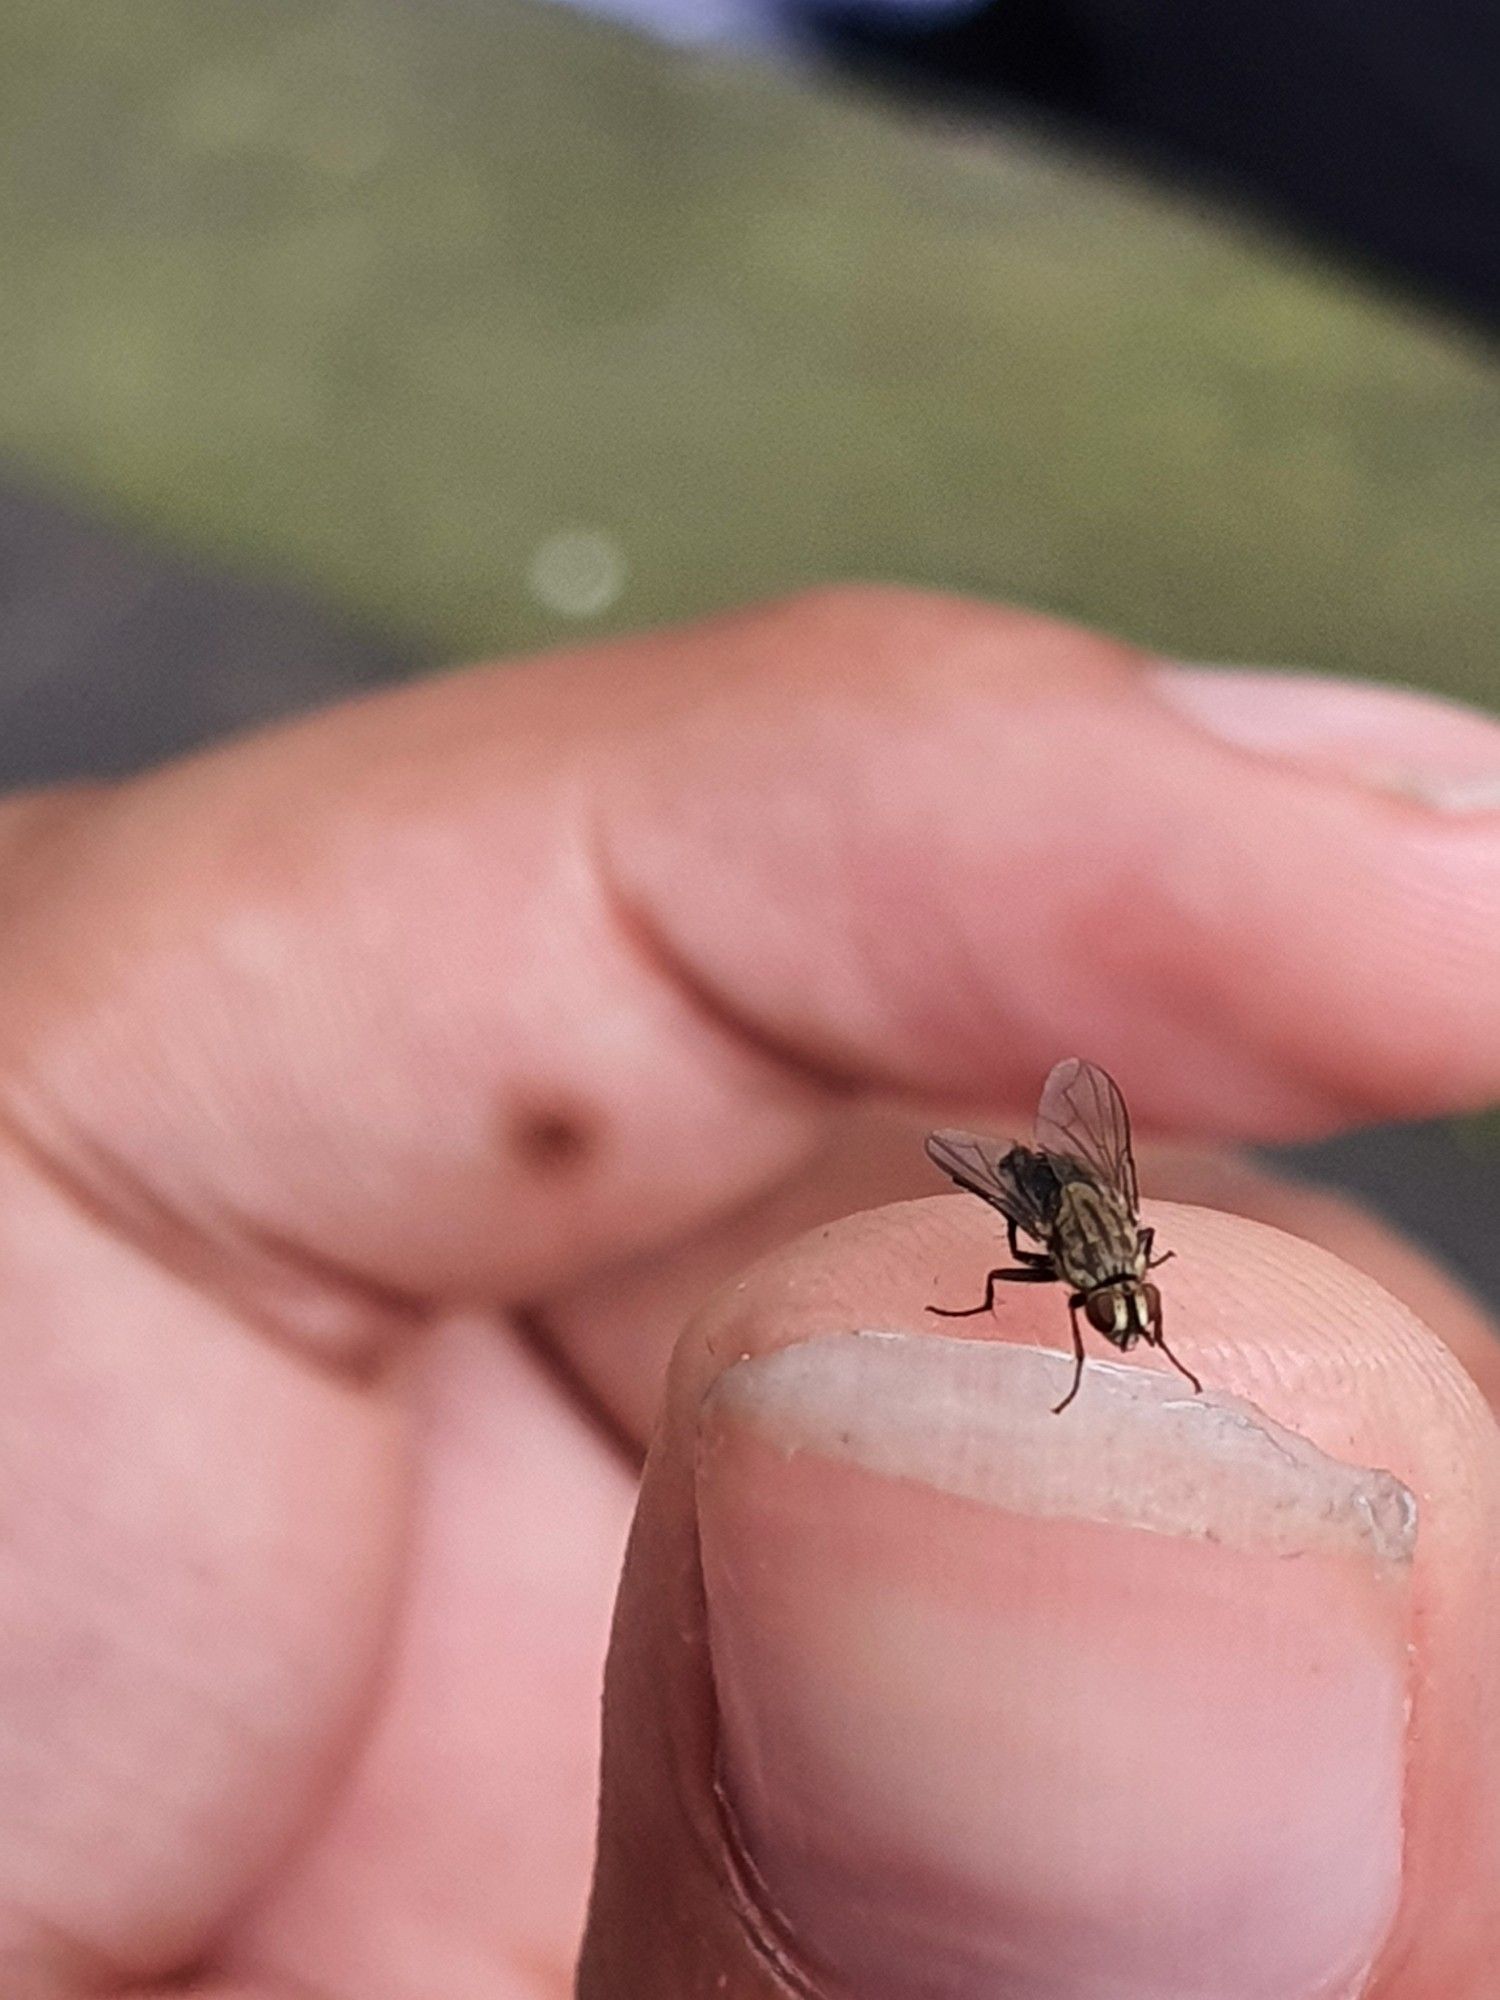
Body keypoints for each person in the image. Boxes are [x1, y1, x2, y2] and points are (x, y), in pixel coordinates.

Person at [0, 587, 1495, 1999]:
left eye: (1116, 1319)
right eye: (1118, 1315)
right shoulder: (1064, 1247)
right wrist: (1019, 1300)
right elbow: (1046, 1202)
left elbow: (1113, 1211)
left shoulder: (1127, 1272)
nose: (1119, 1316)